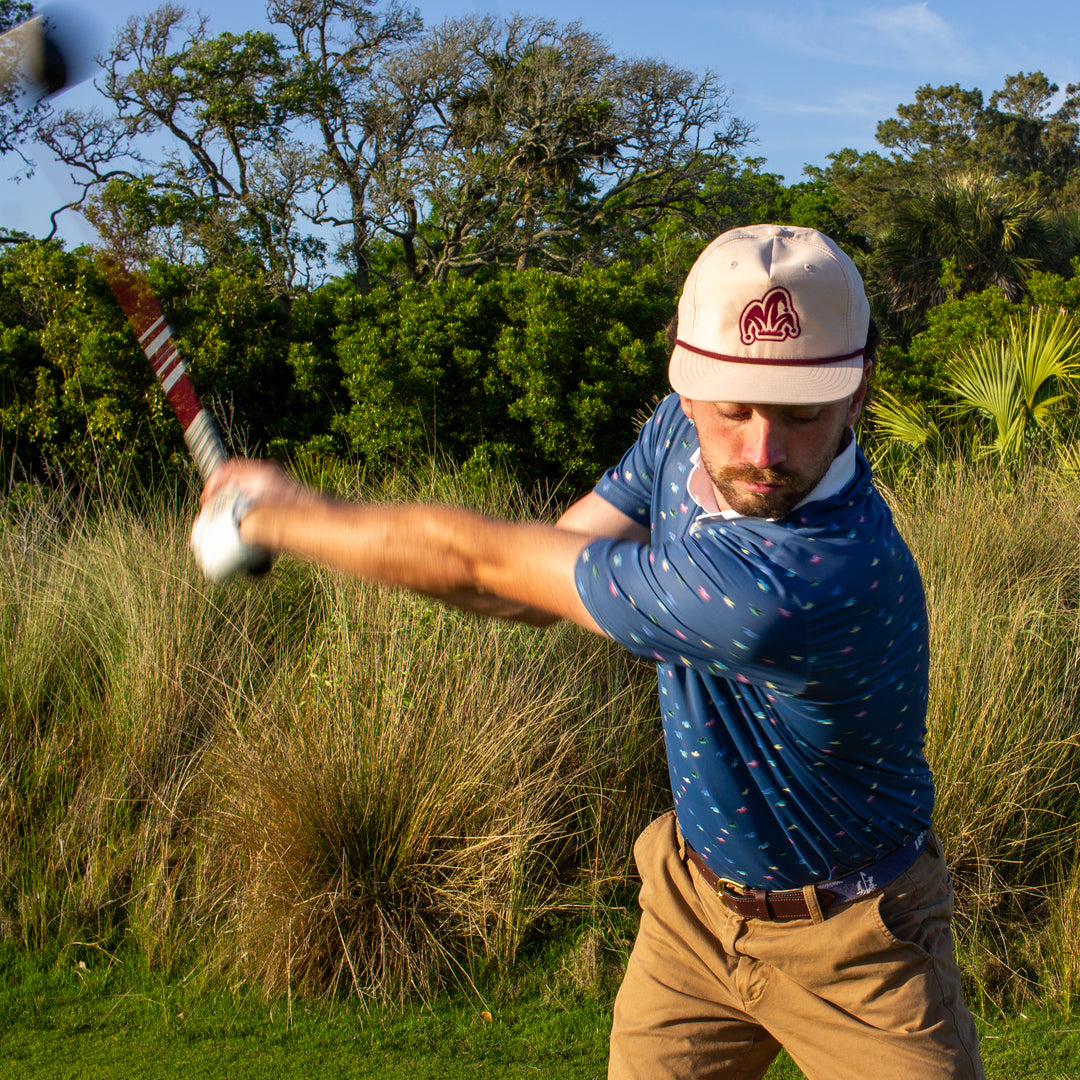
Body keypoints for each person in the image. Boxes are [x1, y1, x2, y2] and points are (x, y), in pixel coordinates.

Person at [191, 224, 984, 1080]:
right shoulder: (678, 440)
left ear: (858, 391)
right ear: (685, 386)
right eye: (734, 409)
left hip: (860, 946)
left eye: (802, 415)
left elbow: (479, 560)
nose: (763, 453)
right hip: (692, 908)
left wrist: (270, 516)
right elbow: (513, 587)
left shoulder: (800, 583)